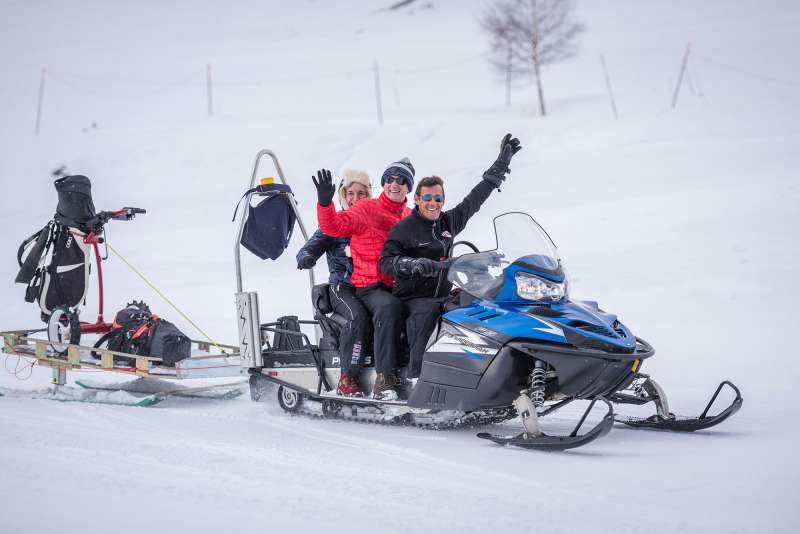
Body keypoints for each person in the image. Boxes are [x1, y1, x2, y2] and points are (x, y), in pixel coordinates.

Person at [379, 134, 522, 380]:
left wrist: (500, 167)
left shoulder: (448, 222)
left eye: (438, 198)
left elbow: (475, 200)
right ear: (417, 199)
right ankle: (416, 380)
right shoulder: (405, 228)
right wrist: (413, 264)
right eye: (427, 198)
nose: (433, 203)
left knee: (479, 309)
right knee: (426, 315)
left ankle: (480, 375)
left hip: (442, 295)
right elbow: (386, 262)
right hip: (413, 298)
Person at [313, 159, 414, 400]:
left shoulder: (409, 216)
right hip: (353, 284)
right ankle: (357, 377)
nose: (394, 183)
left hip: (395, 283)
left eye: (401, 179)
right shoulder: (365, 210)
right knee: (362, 317)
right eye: (389, 178)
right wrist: (325, 203)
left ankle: (415, 371)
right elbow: (330, 227)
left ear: (409, 186)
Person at [296, 170, 373, 396]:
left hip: (370, 286)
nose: (355, 198)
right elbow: (311, 246)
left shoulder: (375, 222)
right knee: (357, 317)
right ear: (342, 195)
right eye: (350, 193)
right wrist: (307, 257)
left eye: (361, 193)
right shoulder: (336, 224)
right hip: (343, 288)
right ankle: (348, 378)